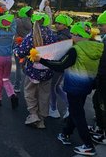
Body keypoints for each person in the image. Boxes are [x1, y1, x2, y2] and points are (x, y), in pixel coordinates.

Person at [34, 22, 103, 156]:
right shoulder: (98, 47)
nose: (71, 36)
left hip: (74, 85)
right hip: (87, 84)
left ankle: (88, 145)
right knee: (75, 109)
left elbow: (60, 65)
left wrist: (40, 60)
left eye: (73, 34)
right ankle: (66, 133)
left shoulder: (75, 50)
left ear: (78, 35)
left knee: (78, 114)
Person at [14, 12, 56, 129]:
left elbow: (21, 52)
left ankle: (33, 115)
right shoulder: (52, 35)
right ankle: (42, 119)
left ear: (33, 21)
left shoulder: (31, 36)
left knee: (29, 92)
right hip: (47, 70)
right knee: (44, 95)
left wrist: (16, 48)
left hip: (33, 70)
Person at [48, 14, 73, 119]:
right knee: (57, 86)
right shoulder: (67, 34)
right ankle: (70, 106)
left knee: (52, 87)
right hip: (62, 65)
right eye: (56, 23)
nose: (57, 25)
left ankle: (53, 109)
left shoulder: (61, 37)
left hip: (58, 65)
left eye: (60, 23)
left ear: (65, 25)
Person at [88, 11, 106, 145]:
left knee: (102, 104)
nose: (99, 27)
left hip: (104, 77)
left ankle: (104, 134)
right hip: (101, 76)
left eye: (102, 25)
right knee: (96, 101)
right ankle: (100, 127)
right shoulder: (104, 37)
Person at [13, 6, 33, 93]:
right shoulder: (33, 22)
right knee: (27, 66)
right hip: (29, 47)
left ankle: (17, 86)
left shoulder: (17, 21)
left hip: (18, 46)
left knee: (18, 67)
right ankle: (29, 84)